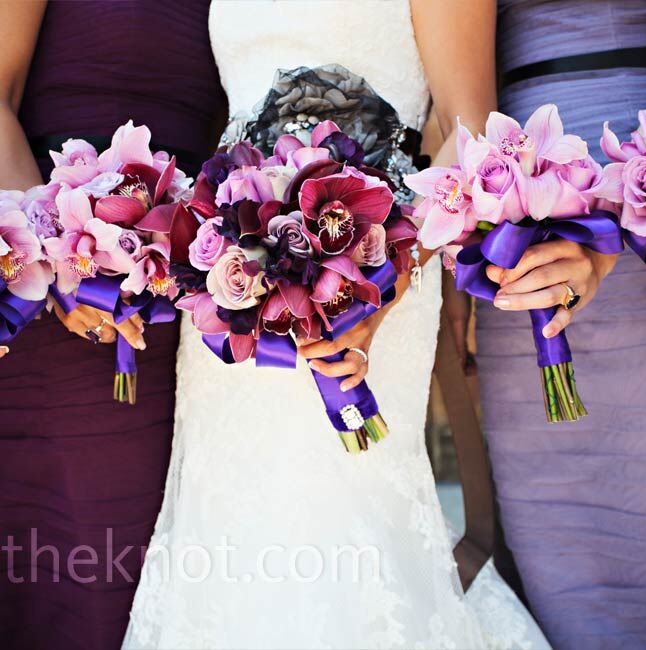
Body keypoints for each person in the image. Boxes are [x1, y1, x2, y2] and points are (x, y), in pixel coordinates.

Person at [123, 2, 550, 648]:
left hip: (378, 269)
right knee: (234, 534)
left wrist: (384, 283)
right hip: (234, 287)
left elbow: (473, 135)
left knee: (348, 526)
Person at [0, 2, 228, 649]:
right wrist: (55, 259)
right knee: (85, 573)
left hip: (177, 300)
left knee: (152, 579)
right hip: (60, 294)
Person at [466, 1, 646, 648]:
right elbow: (463, 112)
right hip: (530, 226)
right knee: (576, 576)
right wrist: (490, 228)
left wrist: (621, 219)